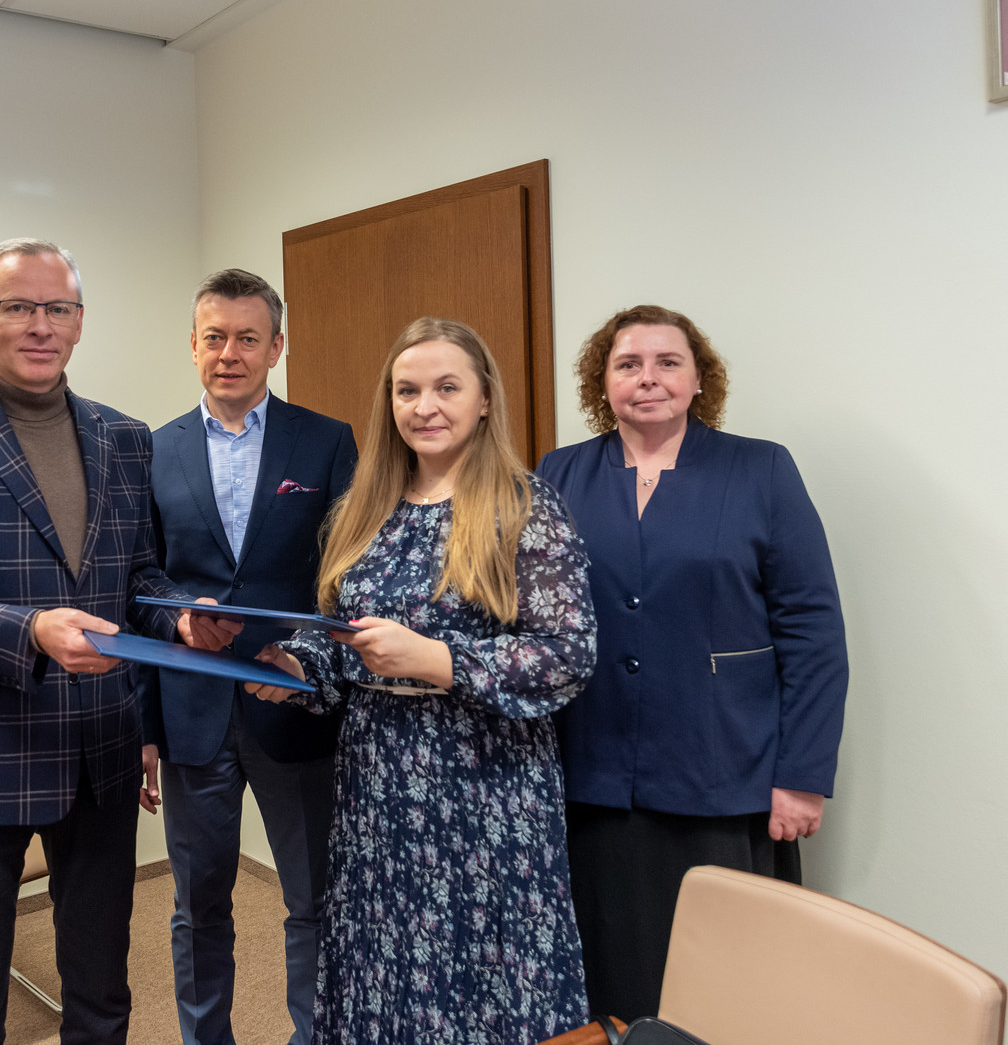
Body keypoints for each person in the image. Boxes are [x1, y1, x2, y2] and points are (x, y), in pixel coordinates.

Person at [0, 238, 237, 1045]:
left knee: (102, 998)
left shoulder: (125, 437)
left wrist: (180, 615)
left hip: (98, 757)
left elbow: (138, 577)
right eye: (18, 307)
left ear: (79, 322)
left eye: (58, 309)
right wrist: (30, 631)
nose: (40, 325)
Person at [247, 317, 596, 1045]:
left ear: (485, 399)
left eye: (446, 388)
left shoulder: (524, 506)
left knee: (482, 977)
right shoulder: (364, 509)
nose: (424, 406)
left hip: (486, 787)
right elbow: (344, 635)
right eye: (407, 390)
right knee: (384, 965)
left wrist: (439, 659)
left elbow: (566, 654)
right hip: (378, 784)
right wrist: (300, 666)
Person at [536, 303, 849, 1022]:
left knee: (725, 982)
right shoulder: (560, 473)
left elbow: (813, 632)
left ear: (700, 378)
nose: (648, 378)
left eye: (668, 362)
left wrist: (802, 776)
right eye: (628, 364)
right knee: (610, 975)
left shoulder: (761, 469)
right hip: (594, 776)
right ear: (602, 381)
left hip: (723, 772)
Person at [139, 269, 357, 1045]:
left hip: (291, 702)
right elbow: (141, 581)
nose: (229, 353)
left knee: (313, 898)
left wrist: (307, 658)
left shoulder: (326, 441)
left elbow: (346, 574)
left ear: (276, 347)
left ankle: (314, 1035)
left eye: (247, 338)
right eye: (215, 338)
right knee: (198, 904)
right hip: (192, 712)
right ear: (193, 345)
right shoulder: (152, 449)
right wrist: (147, 723)